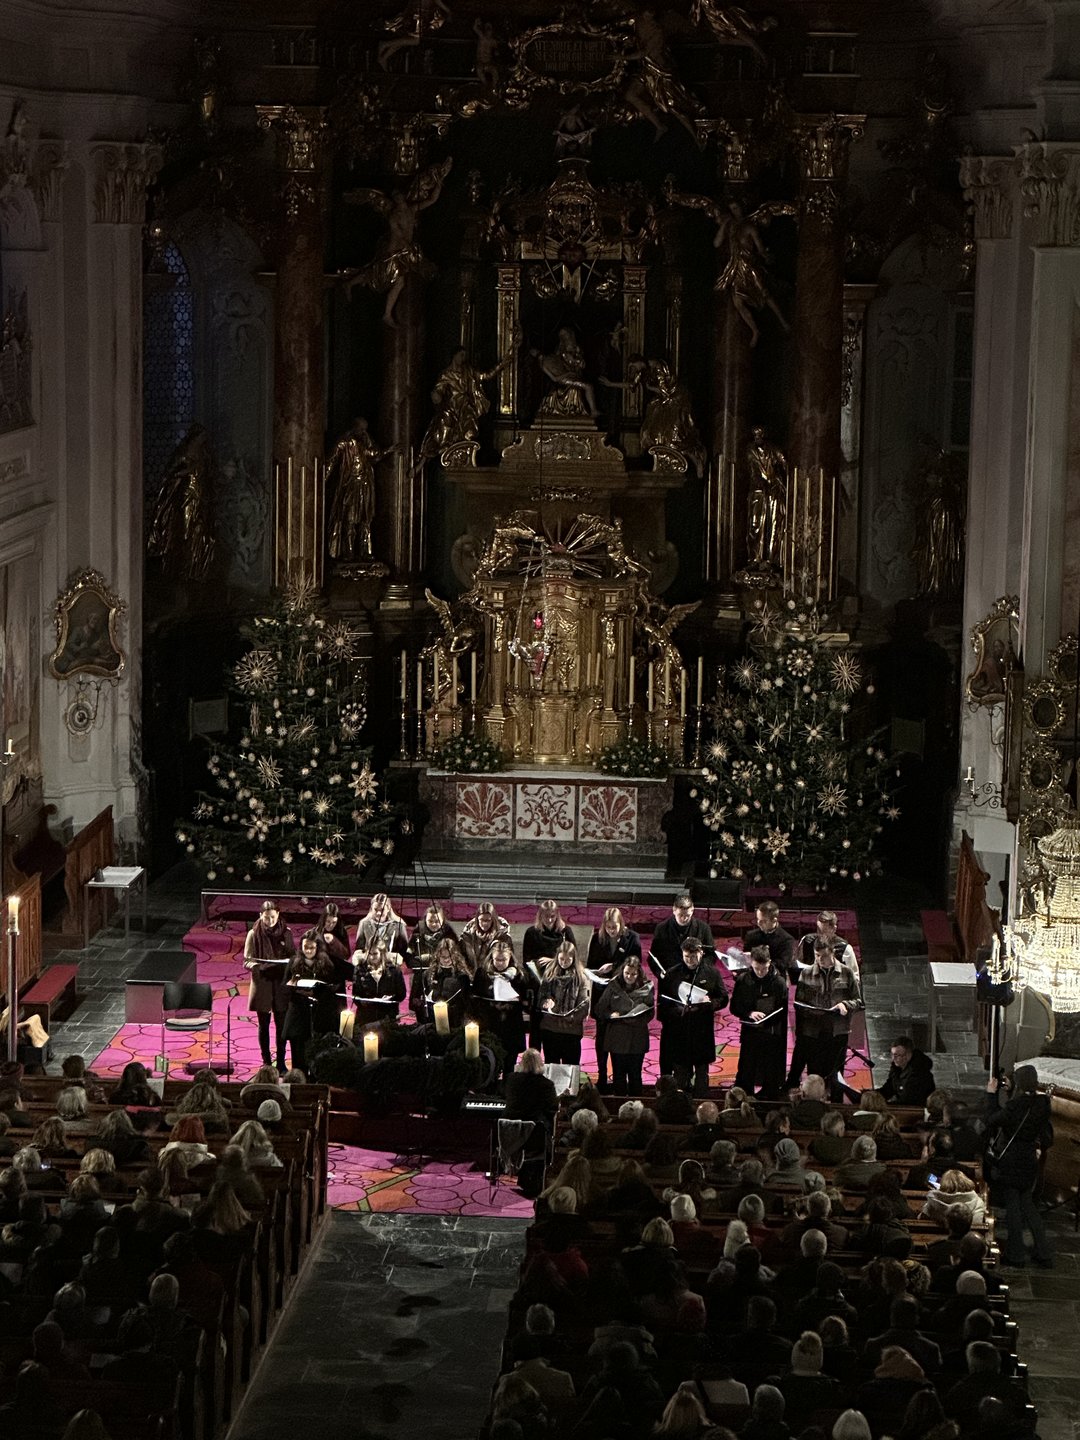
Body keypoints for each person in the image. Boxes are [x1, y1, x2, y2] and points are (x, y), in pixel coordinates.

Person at [982, 1064, 1054, 1267]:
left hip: (1011, 1161)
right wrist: (1011, 1092)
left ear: (1019, 1083)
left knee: (1013, 1207)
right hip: (1029, 1159)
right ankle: (1043, 1253)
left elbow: (992, 1119)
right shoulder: (1043, 1103)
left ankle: (1016, 1255)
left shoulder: (1015, 1106)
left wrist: (991, 1095)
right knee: (1028, 1205)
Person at [788, 940, 862, 1097]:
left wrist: (845, 1005)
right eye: (817, 955)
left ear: (832, 953)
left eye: (824, 956)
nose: (820, 959)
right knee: (815, 1075)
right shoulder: (806, 973)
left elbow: (858, 1001)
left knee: (835, 1076)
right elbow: (798, 1003)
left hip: (837, 1032)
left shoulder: (846, 972)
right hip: (814, 1033)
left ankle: (836, 1104)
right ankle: (814, 1103)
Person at [659, 936, 727, 1095]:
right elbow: (663, 1003)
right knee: (680, 1077)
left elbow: (723, 998)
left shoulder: (712, 973)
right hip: (680, 1031)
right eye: (687, 956)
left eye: (694, 956)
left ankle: (701, 1102)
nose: (690, 960)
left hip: (702, 1030)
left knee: (702, 1076)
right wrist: (677, 1010)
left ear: (701, 953)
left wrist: (709, 1004)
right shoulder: (672, 974)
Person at [587, 907, 643, 1091]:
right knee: (601, 1038)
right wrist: (598, 973)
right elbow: (590, 965)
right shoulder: (597, 938)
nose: (611, 930)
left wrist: (615, 966)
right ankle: (602, 1075)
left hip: (623, 993)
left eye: (614, 927)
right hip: (602, 992)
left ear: (621, 924)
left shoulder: (632, 938)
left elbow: (636, 964)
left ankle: (621, 1077)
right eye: (608, 927)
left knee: (621, 1039)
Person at [244, 900, 295, 1073]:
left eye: (273, 917)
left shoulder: (286, 933)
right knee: (263, 1024)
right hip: (263, 981)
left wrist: (288, 963)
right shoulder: (253, 933)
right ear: (260, 916)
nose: (270, 921)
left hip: (280, 981)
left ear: (278, 915)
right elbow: (246, 960)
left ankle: (281, 1062)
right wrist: (257, 966)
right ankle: (266, 1062)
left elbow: (293, 956)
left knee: (281, 1025)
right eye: (266, 918)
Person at [731, 944, 788, 1098]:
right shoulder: (743, 980)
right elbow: (734, 1007)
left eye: (764, 969)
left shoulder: (779, 983)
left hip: (771, 1034)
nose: (760, 972)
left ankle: (768, 1100)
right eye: (757, 968)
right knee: (746, 1069)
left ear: (769, 963)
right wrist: (749, 1013)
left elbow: (783, 1011)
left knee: (770, 1071)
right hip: (750, 1033)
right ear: (751, 963)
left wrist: (767, 1018)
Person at [472, 936, 529, 1082]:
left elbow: (525, 999)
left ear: (510, 958)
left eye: (504, 960)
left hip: (510, 1028)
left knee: (509, 1066)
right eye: (497, 959)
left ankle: (507, 1089)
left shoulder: (519, 975)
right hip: (490, 1026)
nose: (500, 963)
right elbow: (475, 998)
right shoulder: (483, 973)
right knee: (490, 1065)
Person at [597, 956, 654, 1096]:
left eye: (633, 974)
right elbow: (599, 1009)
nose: (629, 977)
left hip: (636, 1039)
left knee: (635, 1076)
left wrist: (634, 1019)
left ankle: (637, 1105)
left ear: (638, 974)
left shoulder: (646, 987)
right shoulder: (613, 985)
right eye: (627, 973)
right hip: (617, 1039)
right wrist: (610, 1014)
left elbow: (650, 1013)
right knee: (618, 1076)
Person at [282, 931, 339, 1070]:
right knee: (298, 1060)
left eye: (311, 948)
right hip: (298, 1016)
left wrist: (317, 992)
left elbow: (332, 988)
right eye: (305, 947)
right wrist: (295, 988)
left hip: (319, 1017)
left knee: (317, 1061)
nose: (308, 951)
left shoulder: (326, 963)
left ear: (318, 947)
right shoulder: (294, 962)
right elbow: (284, 987)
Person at [538, 942, 589, 1065]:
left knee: (570, 1067)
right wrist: (546, 1002)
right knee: (551, 1066)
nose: (564, 962)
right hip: (550, 1028)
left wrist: (570, 1017)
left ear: (574, 959)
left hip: (571, 1030)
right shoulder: (549, 973)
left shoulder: (581, 977)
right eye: (561, 959)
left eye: (568, 960)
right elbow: (541, 996)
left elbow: (584, 1004)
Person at [648, 893, 715, 980]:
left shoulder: (703, 928)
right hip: (670, 977)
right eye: (680, 915)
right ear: (674, 910)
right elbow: (653, 956)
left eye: (687, 915)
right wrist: (660, 974)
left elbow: (711, 954)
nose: (684, 918)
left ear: (692, 910)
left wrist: (701, 970)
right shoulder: (662, 928)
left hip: (695, 977)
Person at [412, 935, 472, 1027]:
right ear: (438, 956)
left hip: (453, 1021)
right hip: (431, 1020)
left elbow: (466, 1003)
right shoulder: (428, 974)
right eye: (443, 957)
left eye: (449, 957)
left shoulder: (462, 977)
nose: (446, 960)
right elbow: (417, 997)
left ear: (455, 956)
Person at [353, 937, 407, 1026]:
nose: (371, 957)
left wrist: (390, 998)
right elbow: (355, 994)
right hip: (366, 1017)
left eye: (375, 954)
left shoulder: (394, 970)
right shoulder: (360, 969)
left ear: (382, 953)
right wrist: (361, 1002)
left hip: (387, 1016)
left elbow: (401, 994)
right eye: (369, 953)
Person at [798, 911, 860, 981]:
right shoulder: (807, 941)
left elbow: (855, 978)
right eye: (819, 930)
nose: (821, 934)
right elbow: (797, 965)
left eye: (824, 931)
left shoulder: (844, 948)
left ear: (834, 929)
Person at [744, 899, 797, 978]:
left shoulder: (786, 940)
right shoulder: (751, 935)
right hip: (752, 976)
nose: (759, 923)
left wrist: (761, 964)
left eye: (763, 921)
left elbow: (783, 964)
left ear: (774, 920)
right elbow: (745, 957)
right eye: (758, 919)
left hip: (774, 978)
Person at [880, 1036, 936, 1107]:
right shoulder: (896, 1069)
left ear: (908, 1055)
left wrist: (884, 1105)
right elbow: (889, 1089)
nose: (893, 1058)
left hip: (917, 1110)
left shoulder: (920, 1073)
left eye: (897, 1055)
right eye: (892, 1054)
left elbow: (909, 1100)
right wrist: (872, 1095)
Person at [353, 893, 409, 958]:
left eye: (382, 910)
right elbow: (359, 948)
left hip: (391, 962)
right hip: (370, 961)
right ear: (371, 908)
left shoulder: (399, 925)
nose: (378, 913)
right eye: (375, 909)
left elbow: (404, 950)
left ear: (388, 909)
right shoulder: (364, 923)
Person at [460, 901, 510, 973]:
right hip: (471, 974)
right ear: (477, 919)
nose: (484, 924)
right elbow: (461, 958)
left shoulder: (503, 937)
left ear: (493, 920)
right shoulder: (467, 936)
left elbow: (510, 961)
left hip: (495, 974)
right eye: (482, 920)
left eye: (488, 920)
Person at [406, 903, 457, 970]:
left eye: (437, 921)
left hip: (442, 969)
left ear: (443, 920)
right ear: (425, 919)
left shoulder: (449, 933)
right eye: (430, 921)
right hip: (421, 968)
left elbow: (456, 955)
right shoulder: (418, 930)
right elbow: (409, 952)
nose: (433, 924)